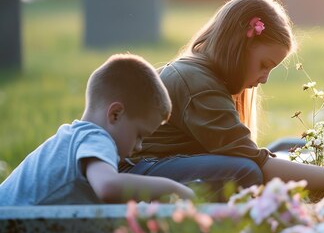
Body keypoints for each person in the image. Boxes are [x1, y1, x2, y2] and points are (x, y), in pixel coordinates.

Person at [120, 0, 324, 198]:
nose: (265, 78)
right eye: (263, 65)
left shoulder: (202, 75)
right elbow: (260, 164)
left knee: (255, 162)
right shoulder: (198, 84)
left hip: (150, 169)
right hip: (138, 173)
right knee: (243, 171)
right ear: (238, 47)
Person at [0, 54, 196, 205]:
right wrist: (173, 188)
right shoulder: (97, 138)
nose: (139, 146)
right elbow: (107, 186)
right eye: (139, 135)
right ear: (115, 114)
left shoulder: (74, 136)